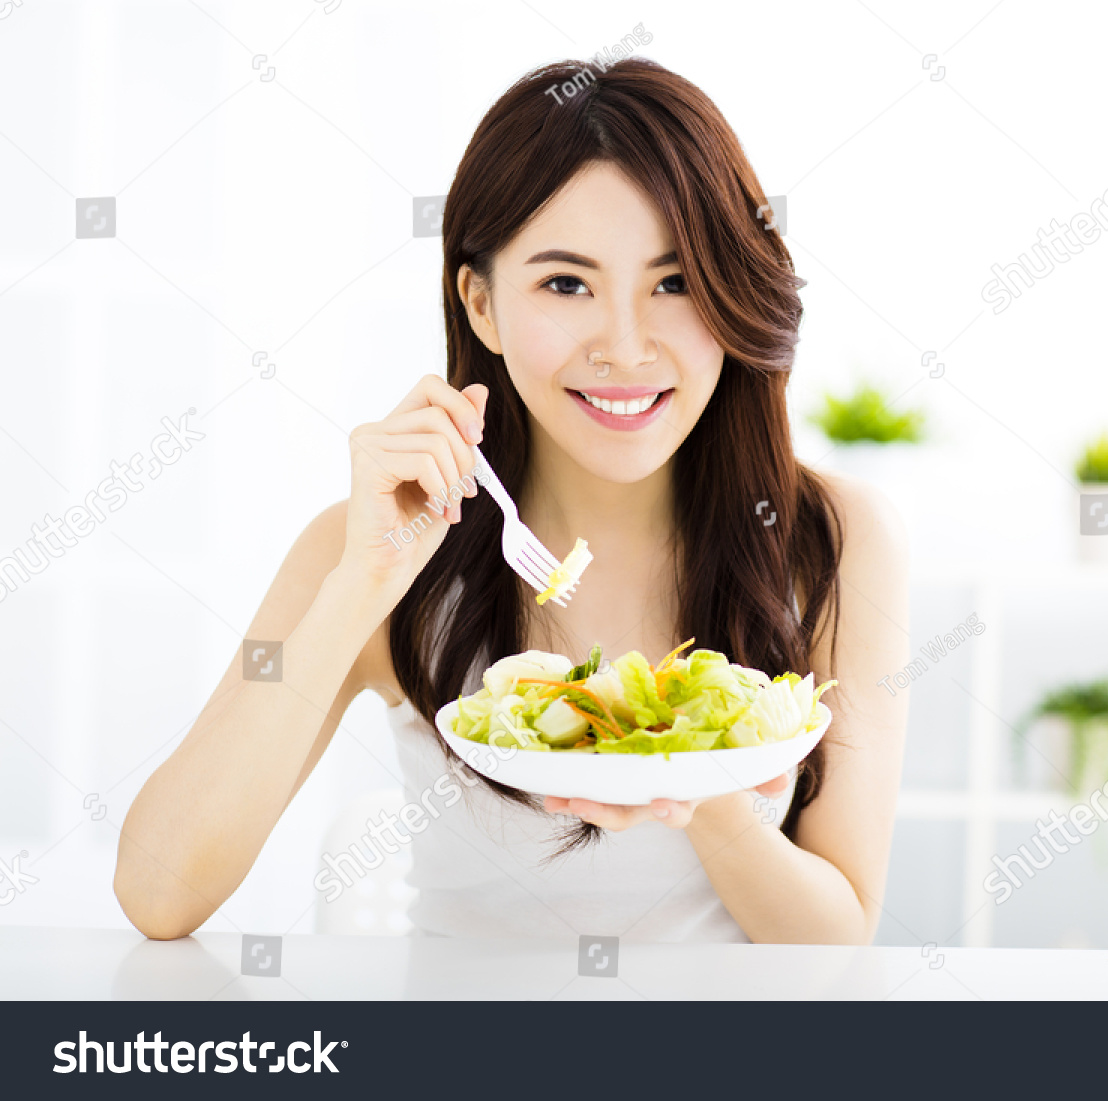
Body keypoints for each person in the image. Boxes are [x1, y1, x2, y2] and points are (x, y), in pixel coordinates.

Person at [115, 57, 910, 945]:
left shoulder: (831, 542)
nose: (624, 345)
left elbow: (836, 939)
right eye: (565, 284)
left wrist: (696, 785)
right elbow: (158, 891)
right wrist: (361, 583)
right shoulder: (372, 549)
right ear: (481, 306)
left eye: (675, 281)